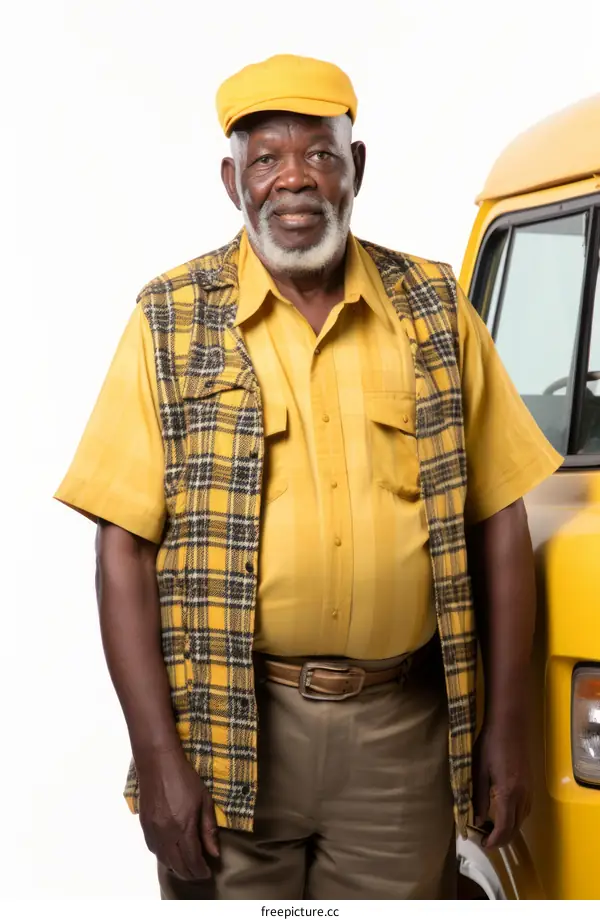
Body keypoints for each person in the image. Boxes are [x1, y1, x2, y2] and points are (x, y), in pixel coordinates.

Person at [55, 54, 562, 900]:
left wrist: (507, 732)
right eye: (266, 159)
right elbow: (122, 550)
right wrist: (156, 757)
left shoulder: (437, 308)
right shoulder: (168, 319)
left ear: (354, 169)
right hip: (229, 729)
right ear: (233, 181)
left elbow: (500, 523)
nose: (295, 180)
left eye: (320, 155)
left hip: (402, 735)